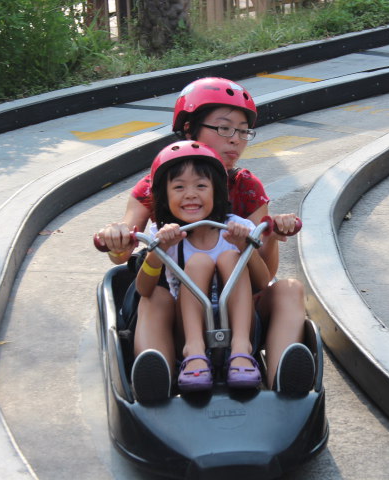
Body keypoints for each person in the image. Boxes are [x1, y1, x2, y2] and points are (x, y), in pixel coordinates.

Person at [96, 77, 314, 400]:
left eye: (243, 131)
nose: (236, 140)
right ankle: (157, 375)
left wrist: (267, 235)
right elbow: (125, 244)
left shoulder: (248, 188)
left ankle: (283, 376)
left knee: (290, 289)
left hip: (239, 301)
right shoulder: (160, 182)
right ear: (189, 131)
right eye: (224, 128)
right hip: (179, 307)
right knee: (153, 298)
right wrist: (117, 237)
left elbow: (263, 278)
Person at [137, 141, 271, 394]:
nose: (190, 194)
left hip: (237, 326)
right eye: (178, 187)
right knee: (197, 262)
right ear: (164, 196)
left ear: (217, 192)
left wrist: (244, 246)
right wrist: (159, 251)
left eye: (201, 186)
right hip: (185, 331)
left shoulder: (236, 227)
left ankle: (242, 351)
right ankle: (193, 353)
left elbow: (263, 282)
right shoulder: (162, 235)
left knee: (230, 258)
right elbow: (143, 289)